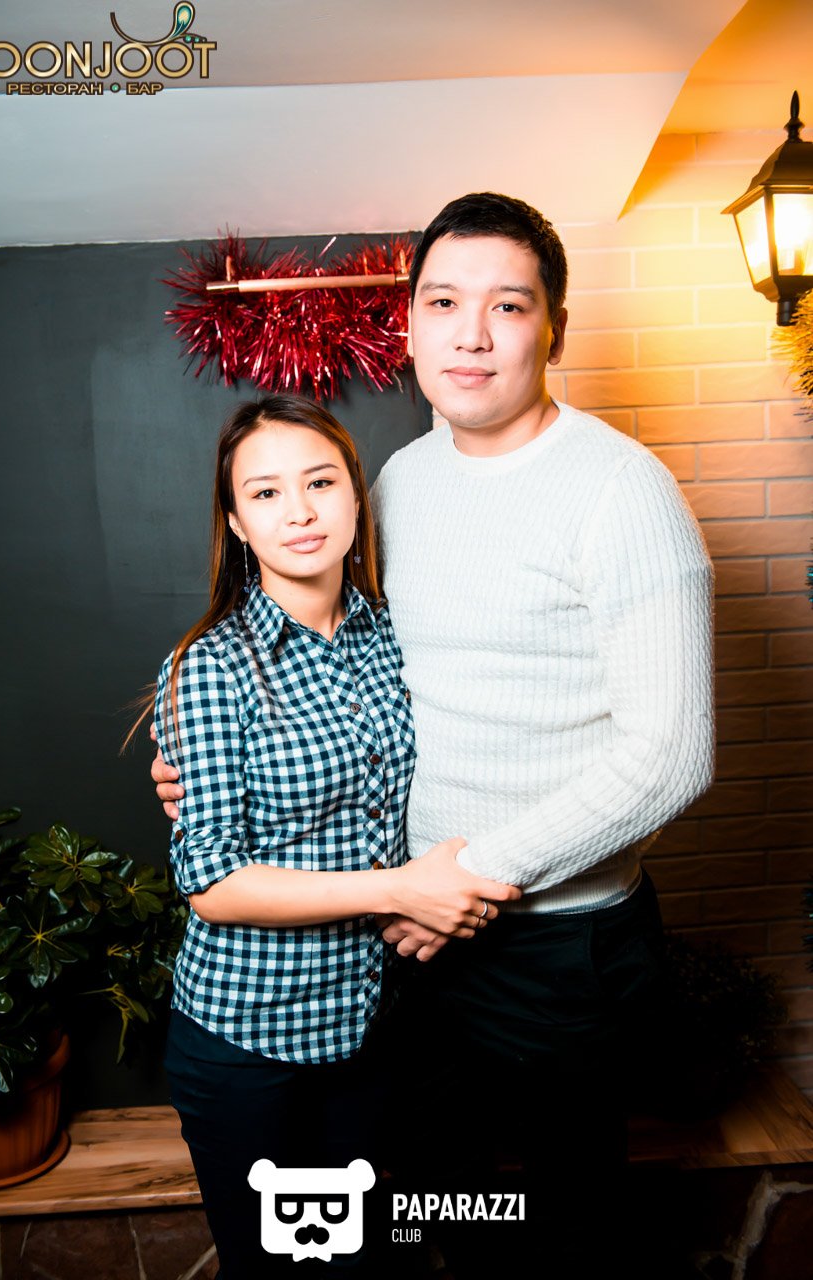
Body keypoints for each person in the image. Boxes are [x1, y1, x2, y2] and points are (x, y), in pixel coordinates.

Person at [154, 195, 715, 1278]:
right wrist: (204, 766)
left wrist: (466, 878)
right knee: (435, 1224)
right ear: (408, 325)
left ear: (554, 327)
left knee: (560, 1236)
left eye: (508, 305)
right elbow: (342, 675)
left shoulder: (622, 492)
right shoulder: (398, 483)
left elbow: (670, 755)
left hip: (550, 950)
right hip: (409, 950)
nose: (472, 334)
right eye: (445, 303)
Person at [145, 393, 519, 1280]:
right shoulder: (211, 666)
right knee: (279, 1270)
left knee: (364, 1260)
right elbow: (212, 883)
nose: (300, 511)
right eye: (266, 493)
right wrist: (400, 889)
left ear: (357, 498)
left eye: (320, 483)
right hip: (251, 1046)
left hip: (372, 1030)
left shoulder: (397, 634)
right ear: (237, 523)